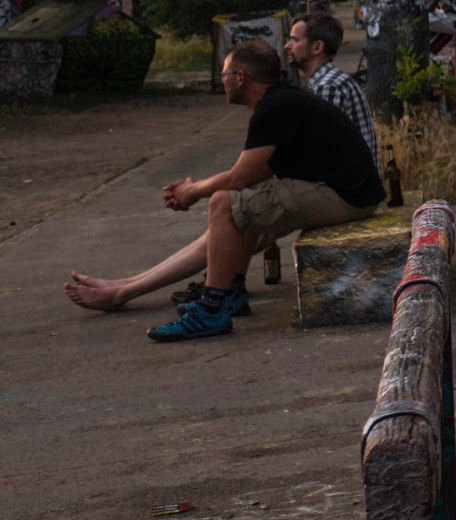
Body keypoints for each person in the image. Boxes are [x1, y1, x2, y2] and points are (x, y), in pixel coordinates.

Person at [63, 38, 383, 339]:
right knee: (230, 216)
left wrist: (193, 189)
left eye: (225, 73)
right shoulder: (281, 103)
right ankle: (134, 290)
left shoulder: (275, 107)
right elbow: (251, 179)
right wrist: (123, 287)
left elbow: (238, 178)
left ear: (240, 77)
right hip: (346, 193)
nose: (222, 79)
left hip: (344, 195)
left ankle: (211, 308)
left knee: (223, 203)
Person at [283, 11, 378, 171]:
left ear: (317, 47)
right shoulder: (326, 80)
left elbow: (317, 151)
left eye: (295, 40)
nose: (287, 46)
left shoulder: (327, 86)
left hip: (346, 190)